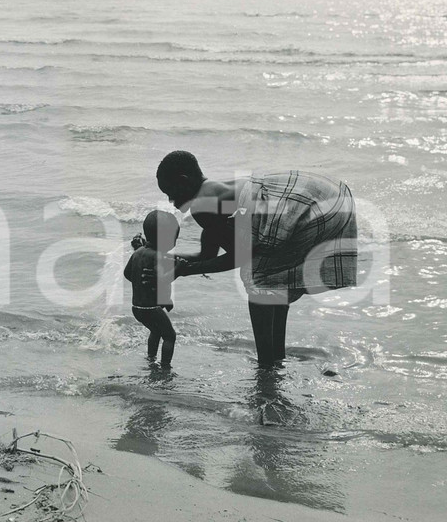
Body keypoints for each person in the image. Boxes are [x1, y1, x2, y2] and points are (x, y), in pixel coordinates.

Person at [138, 150, 357, 368]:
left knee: (258, 278)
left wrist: (183, 271)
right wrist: (159, 256)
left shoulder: (202, 205)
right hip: (331, 197)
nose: (171, 201)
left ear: (184, 181)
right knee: (273, 278)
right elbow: (207, 255)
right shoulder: (212, 195)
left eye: (170, 192)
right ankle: (276, 358)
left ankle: (266, 366)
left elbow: (239, 258)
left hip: (311, 205)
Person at [124, 210, 181, 367]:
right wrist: (167, 299)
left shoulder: (137, 253)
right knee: (170, 336)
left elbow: (127, 274)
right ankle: (165, 367)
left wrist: (140, 282)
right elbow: (164, 281)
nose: (175, 243)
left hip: (136, 308)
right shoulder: (159, 257)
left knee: (156, 331)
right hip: (151, 308)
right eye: (174, 239)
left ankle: (151, 359)